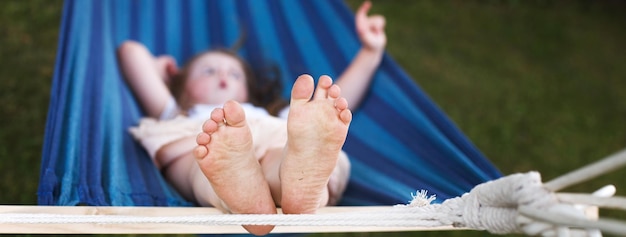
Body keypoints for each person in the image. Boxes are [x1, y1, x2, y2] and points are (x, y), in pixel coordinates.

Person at [117, 1, 386, 235]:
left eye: (235, 74)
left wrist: (370, 52)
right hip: (202, 140)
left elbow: (336, 105)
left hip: (274, 137)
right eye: (208, 71)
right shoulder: (178, 111)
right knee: (199, 165)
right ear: (181, 86)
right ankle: (241, 190)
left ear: (248, 90)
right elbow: (130, 52)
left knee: (288, 151)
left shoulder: (274, 114)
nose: (223, 76)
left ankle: (298, 182)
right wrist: (163, 69)